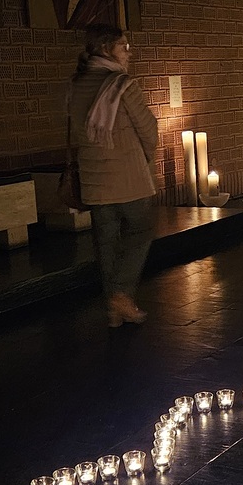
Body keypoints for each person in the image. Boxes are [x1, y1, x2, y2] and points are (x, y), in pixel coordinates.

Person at [71, 24, 158, 328]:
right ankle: (121, 294)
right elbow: (148, 128)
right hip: (128, 178)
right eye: (124, 46)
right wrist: (145, 157)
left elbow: (75, 132)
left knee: (106, 243)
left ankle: (115, 309)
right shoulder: (122, 84)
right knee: (142, 230)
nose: (128, 52)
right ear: (106, 48)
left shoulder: (76, 85)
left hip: (94, 181)